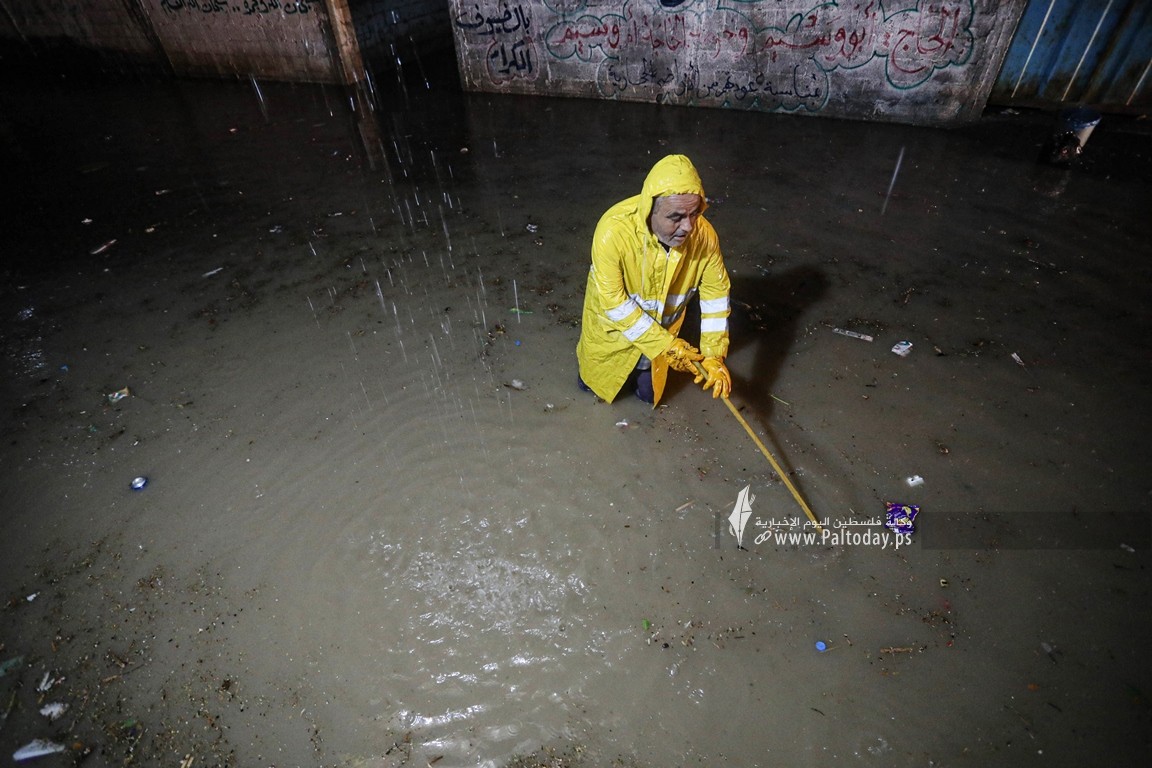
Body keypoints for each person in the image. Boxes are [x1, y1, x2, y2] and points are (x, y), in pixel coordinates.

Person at [576, 154, 732, 405]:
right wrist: (666, 346)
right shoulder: (613, 232)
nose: (688, 227)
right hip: (613, 336)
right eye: (676, 217)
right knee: (595, 386)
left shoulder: (705, 237)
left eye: (695, 213)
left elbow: (716, 297)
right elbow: (614, 304)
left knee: (649, 397)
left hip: (661, 342)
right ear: (650, 209)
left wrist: (714, 356)